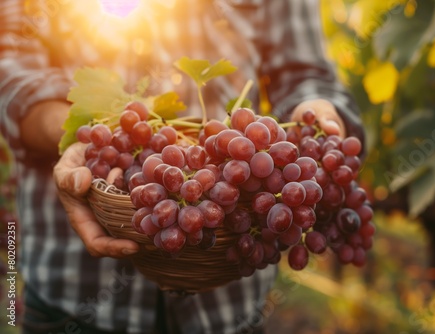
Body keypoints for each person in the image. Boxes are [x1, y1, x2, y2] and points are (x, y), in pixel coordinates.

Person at [0, 0, 364, 333]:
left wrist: (317, 111)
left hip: (230, 300)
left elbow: (306, 74)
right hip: (71, 288)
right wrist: (88, 137)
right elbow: (10, 68)